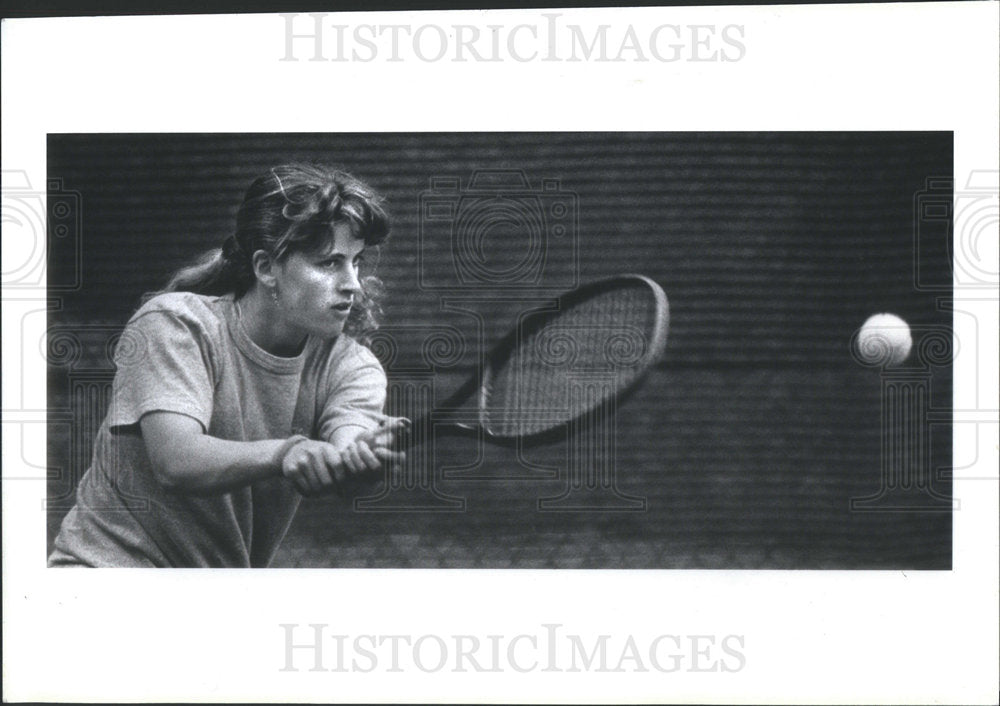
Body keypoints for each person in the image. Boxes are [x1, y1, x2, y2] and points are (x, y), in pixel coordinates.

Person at [48, 164, 406, 568]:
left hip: (217, 595)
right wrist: (285, 453)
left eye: (356, 262)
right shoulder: (174, 323)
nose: (353, 283)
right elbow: (176, 460)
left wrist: (361, 459)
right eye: (329, 263)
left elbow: (346, 450)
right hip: (103, 574)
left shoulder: (353, 366)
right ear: (266, 268)